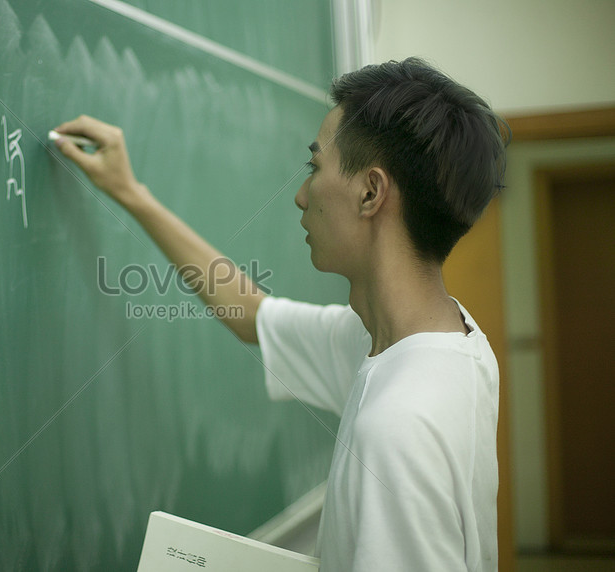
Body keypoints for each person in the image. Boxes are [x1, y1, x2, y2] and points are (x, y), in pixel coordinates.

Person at [52, 57, 508, 572]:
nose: (299, 195)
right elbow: (254, 316)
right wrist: (130, 194)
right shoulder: (441, 341)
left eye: (314, 168)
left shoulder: (395, 429)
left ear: (370, 192)